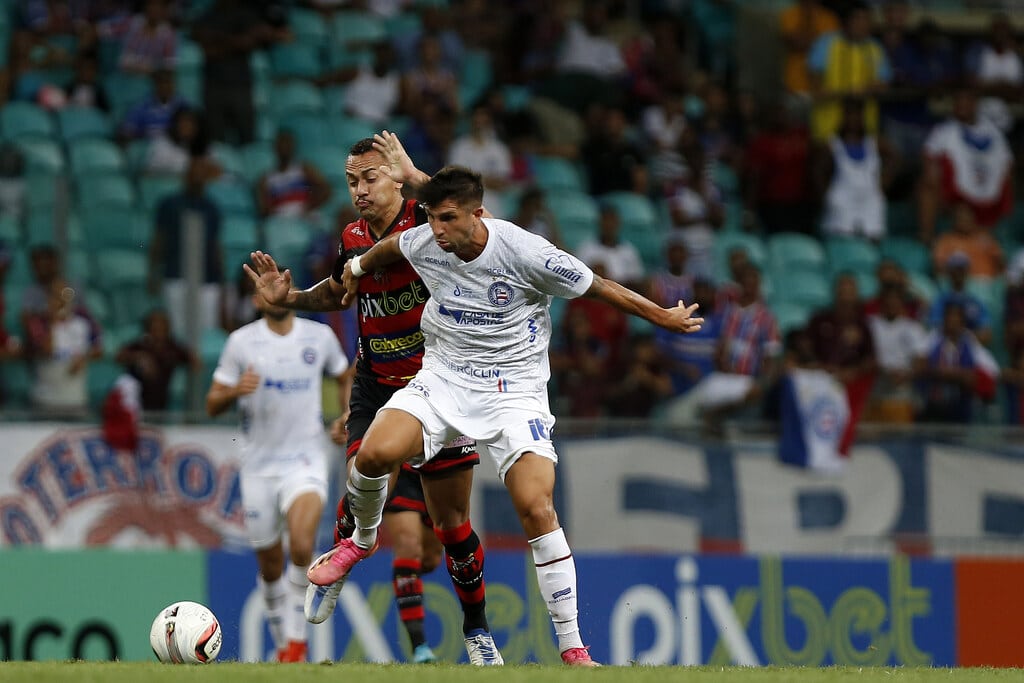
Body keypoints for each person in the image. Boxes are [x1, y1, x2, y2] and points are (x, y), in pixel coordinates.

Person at [247, 163, 704, 666]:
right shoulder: (424, 240)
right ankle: (360, 540)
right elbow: (388, 249)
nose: (437, 230)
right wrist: (354, 271)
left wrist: (661, 315)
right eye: (431, 218)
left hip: (515, 393)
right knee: (373, 454)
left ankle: (573, 647)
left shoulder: (525, 251)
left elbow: (598, 286)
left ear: (478, 214)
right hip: (445, 379)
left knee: (537, 508)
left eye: (448, 219)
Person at [251, 135, 501, 665]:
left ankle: (478, 631)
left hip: (440, 387)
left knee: (453, 529)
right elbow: (339, 291)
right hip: (375, 383)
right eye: (351, 181)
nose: (359, 190)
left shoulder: (432, 222)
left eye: (369, 178)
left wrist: (422, 181)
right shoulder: (352, 236)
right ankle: (348, 554)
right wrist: (288, 299)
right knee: (363, 473)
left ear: (396, 178)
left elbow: (481, 229)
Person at [205, 289, 351, 663]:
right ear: (257, 301)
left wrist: (346, 414)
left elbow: (344, 374)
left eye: (281, 286)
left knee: (302, 545)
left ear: (290, 291)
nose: (275, 295)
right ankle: (283, 640)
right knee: (270, 567)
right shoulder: (241, 342)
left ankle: (296, 642)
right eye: (265, 291)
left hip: (306, 460)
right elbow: (211, 403)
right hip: (259, 468)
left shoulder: (318, 337)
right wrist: (235, 390)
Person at [256, 129, 332, 220]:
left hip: (304, 217)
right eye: (281, 144)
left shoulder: (304, 169)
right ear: (275, 147)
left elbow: (326, 190)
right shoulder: (266, 178)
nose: (284, 148)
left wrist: (309, 207)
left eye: (287, 144)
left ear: (293, 147)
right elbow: (263, 208)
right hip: (280, 220)